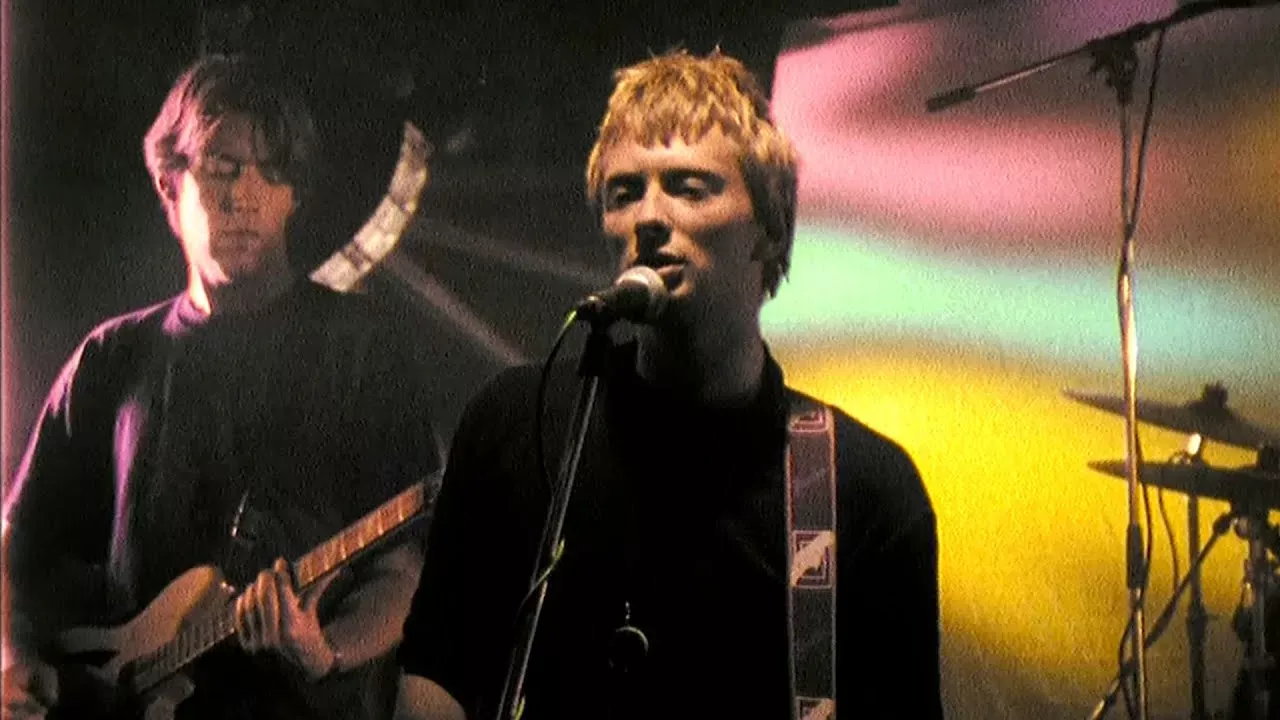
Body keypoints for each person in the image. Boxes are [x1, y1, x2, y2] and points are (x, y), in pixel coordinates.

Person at [394, 49, 941, 720]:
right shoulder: (519, 424)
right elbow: (439, 672)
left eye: (689, 187)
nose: (648, 216)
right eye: (625, 193)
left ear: (770, 230)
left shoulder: (861, 489)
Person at [2, 53, 440, 719]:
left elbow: (400, 572)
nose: (246, 196)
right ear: (170, 185)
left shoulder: (361, 349)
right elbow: (15, 548)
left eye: (273, 171)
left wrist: (326, 652)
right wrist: (13, 660)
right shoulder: (112, 357)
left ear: (296, 195)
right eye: (223, 168)